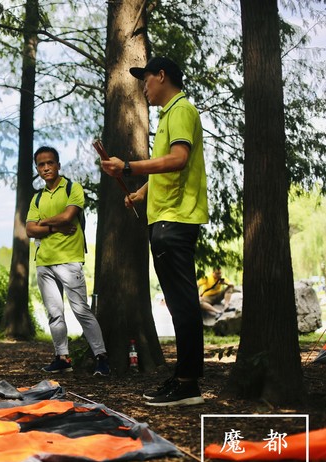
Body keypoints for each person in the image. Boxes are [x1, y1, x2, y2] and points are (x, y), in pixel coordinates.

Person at [101, 56, 209, 407]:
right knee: (179, 304)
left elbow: (178, 159)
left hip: (175, 220)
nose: (143, 87)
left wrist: (128, 165)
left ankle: (189, 383)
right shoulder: (170, 114)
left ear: (162, 75)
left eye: (146, 80)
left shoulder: (180, 109)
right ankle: (183, 378)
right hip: (166, 217)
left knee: (183, 304)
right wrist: (141, 192)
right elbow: (170, 170)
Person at [25, 146, 110, 377]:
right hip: (43, 261)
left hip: (70, 260)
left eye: (50, 163)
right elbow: (29, 230)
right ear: (37, 169)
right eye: (41, 165)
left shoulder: (73, 188)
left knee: (81, 310)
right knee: (54, 312)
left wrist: (43, 223)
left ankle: (101, 358)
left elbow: (68, 216)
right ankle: (62, 358)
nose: (46, 168)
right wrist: (53, 226)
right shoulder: (37, 198)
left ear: (58, 165)